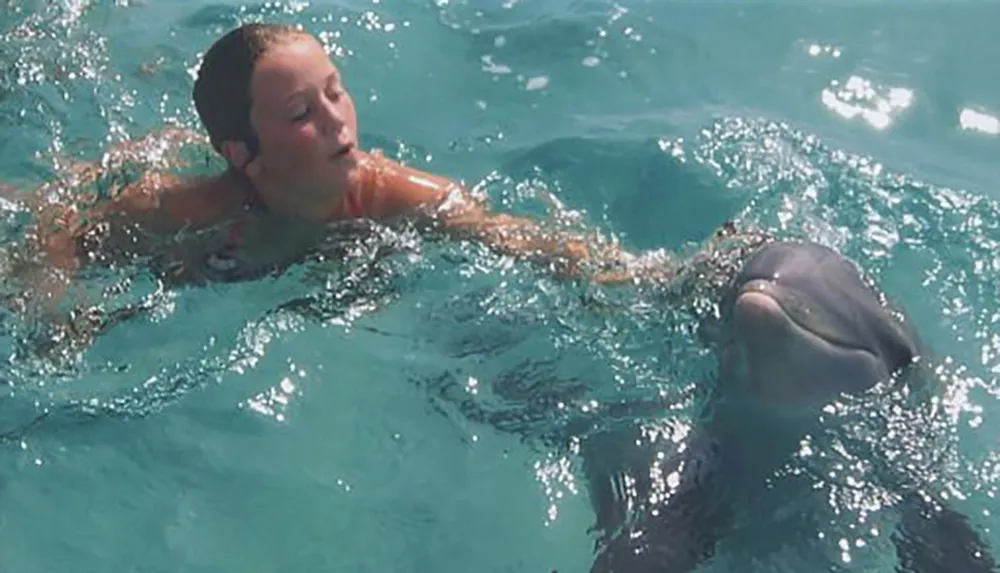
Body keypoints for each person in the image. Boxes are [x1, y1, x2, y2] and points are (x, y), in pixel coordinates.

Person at [5, 22, 660, 349]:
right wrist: (56, 312)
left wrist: (637, 280)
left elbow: (523, 241)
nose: (336, 120)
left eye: (336, 92)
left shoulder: (396, 197)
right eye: (301, 115)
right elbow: (62, 231)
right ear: (244, 154)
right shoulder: (188, 205)